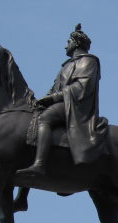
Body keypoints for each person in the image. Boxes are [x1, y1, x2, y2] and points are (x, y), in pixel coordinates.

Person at [17, 23, 102, 178]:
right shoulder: (66, 66)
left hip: (76, 106)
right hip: (64, 102)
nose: (65, 47)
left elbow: (81, 87)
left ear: (76, 43)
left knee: (45, 118)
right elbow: (55, 88)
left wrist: (53, 98)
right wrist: (41, 100)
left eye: (68, 42)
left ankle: (40, 165)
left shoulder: (88, 62)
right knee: (33, 118)